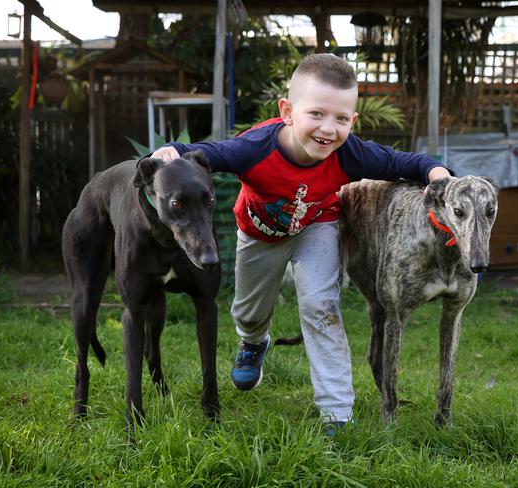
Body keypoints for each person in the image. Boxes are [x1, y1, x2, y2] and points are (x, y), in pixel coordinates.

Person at [150, 53, 452, 429]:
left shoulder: (349, 153)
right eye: (317, 114)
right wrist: (173, 152)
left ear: (352, 121)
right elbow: (211, 153)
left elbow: (404, 162)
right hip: (260, 236)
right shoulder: (256, 148)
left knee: (321, 308)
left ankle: (337, 414)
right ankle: (253, 343)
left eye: (341, 119)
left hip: (317, 228)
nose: (329, 129)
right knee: (248, 311)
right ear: (288, 110)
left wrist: (436, 171)